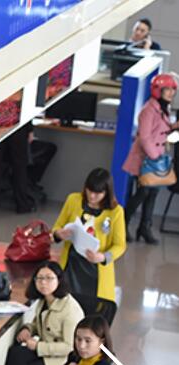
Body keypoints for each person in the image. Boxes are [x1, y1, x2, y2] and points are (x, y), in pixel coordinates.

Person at [51, 167, 127, 326]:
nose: (92, 196)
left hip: (95, 272)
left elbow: (120, 245)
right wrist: (59, 233)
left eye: (98, 193)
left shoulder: (116, 212)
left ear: (107, 192)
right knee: (65, 311)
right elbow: (57, 226)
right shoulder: (73, 200)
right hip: (71, 266)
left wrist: (103, 257)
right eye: (89, 191)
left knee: (91, 318)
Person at [3, 262, 85, 365]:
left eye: (49, 278)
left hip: (61, 362)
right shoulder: (45, 301)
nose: (43, 283)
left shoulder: (70, 310)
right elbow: (39, 323)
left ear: (59, 280)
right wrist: (28, 329)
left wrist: (38, 346)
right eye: (39, 278)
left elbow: (70, 347)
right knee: (16, 354)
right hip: (47, 354)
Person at [122, 73, 175, 246]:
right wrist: (155, 156)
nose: (171, 93)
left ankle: (144, 228)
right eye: (167, 89)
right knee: (143, 193)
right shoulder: (149, 109)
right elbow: (145, 137)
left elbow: (160, 130)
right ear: (158, 90)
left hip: (155, 159)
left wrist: (173, 127)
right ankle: (122, 224)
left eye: (173, 89)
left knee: (153, 193)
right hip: (145, 159)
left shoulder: (162, 108)